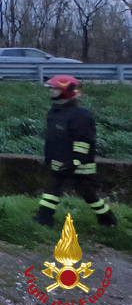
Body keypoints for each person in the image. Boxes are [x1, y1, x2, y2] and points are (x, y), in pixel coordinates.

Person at [32, 75, 118, 227]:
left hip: (77, 163)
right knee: (54, 189)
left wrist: (75, 161)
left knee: (88, 193)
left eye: (55, 88)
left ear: (67, 91)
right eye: (51, 88)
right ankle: (44, 218)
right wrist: (49, 158)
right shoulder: (55, 112)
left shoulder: (80, 116)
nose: (51, 91)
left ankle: (107, 218)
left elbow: (84, 141)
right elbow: (52, 139)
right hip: (60, 161)